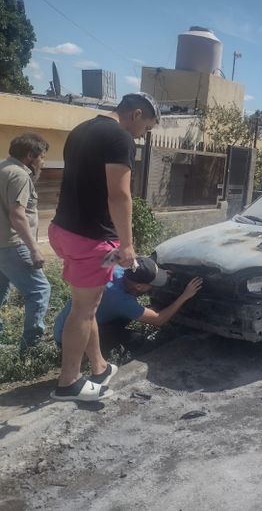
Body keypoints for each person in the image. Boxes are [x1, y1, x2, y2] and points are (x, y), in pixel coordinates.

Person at [49, 93, 160, 402]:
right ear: (136, 114)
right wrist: (127, 245)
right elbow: (120, 195)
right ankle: (68, 383)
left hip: (63, 230)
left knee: (88, 305)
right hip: (91, 238)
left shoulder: (81, 130)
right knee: (83, 311)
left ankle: (99, 367)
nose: (143, 134)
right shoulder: (120, 138)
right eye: (147, 127)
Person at [53, 257, 202, 348]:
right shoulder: (121, 300)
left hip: (64, 325)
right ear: (139, 286)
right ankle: (85, 359)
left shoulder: (119, 270)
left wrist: (158, 272)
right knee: (134, 339)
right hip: (69, 340)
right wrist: (184, 296)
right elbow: (159, 320)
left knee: (140, 311)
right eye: (152, 284)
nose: (153, 287)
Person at [0, 134, 51, 347]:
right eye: (42, 157)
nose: (43, 162)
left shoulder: (2, 168)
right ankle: (30, 346)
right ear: (30, 155)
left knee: (1, 290)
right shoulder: (19, 175)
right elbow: (18, 215)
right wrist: (34, 249)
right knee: (40, 290)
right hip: (14, 244)